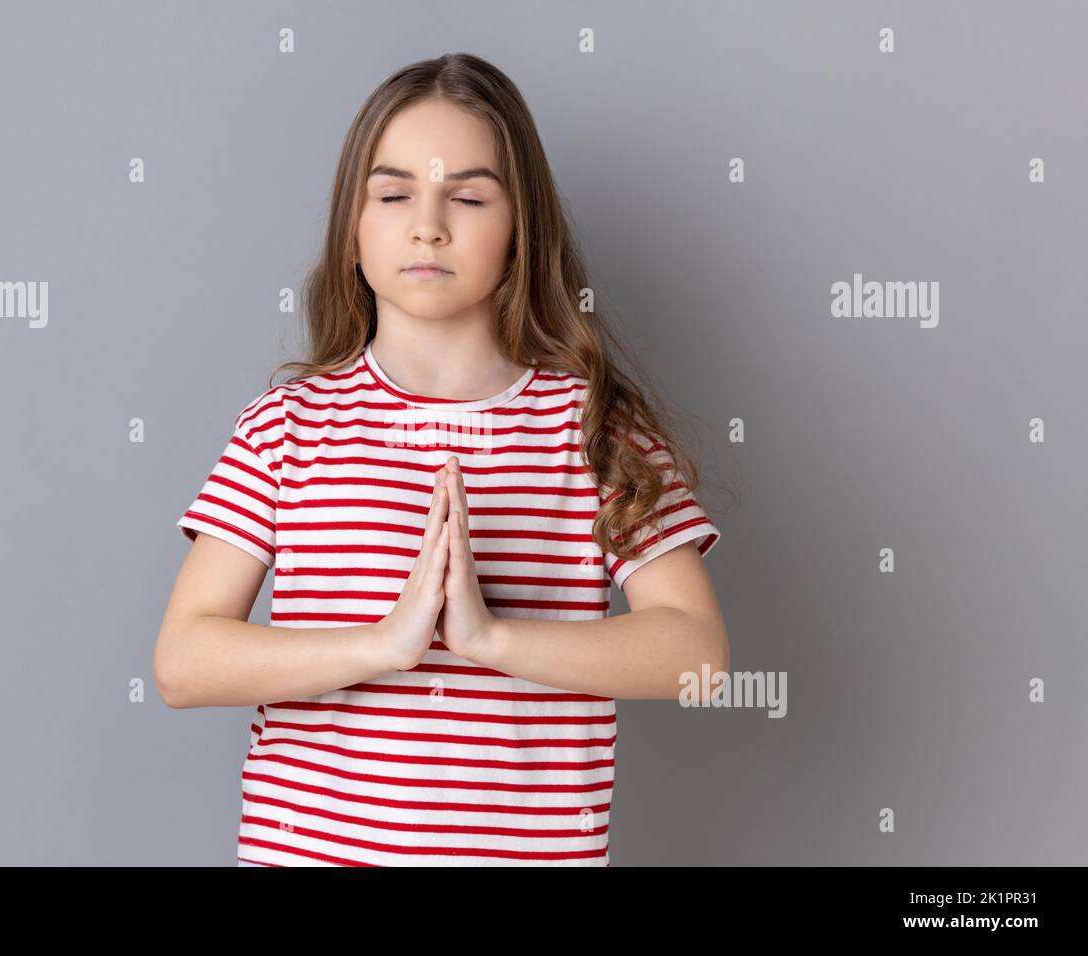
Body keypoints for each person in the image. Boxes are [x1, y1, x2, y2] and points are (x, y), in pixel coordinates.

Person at [155, 53, 729, 867]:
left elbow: (697, 658)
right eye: (393, 195)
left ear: (521, 228)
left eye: (466, 195)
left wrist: (490, 637)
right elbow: (183, 663)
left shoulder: (599, 429)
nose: (428, 224)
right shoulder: (287, 426)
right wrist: (382, 645)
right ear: (352, 227)